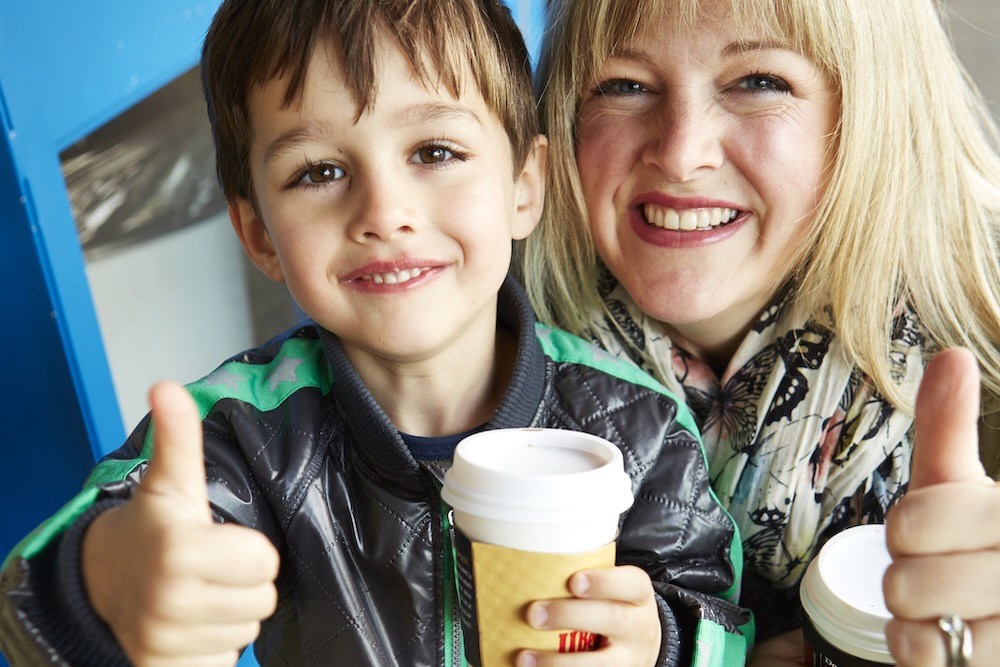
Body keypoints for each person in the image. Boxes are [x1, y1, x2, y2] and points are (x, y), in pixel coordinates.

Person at [0, 1, 753, 666]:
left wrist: (663, 640)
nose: (384, 211)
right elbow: (27, 607)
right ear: (259, 234)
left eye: (434, 152)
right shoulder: (239, 437)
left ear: (524, 186)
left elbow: (720, 613)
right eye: (319, 171)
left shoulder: (636, 422)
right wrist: (110, 579)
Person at [517, 0, 1000, 663]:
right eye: (624, 84)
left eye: (757, 82)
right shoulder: (473, 382)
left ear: (869, 114)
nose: (682, 153)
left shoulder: (988, 394)